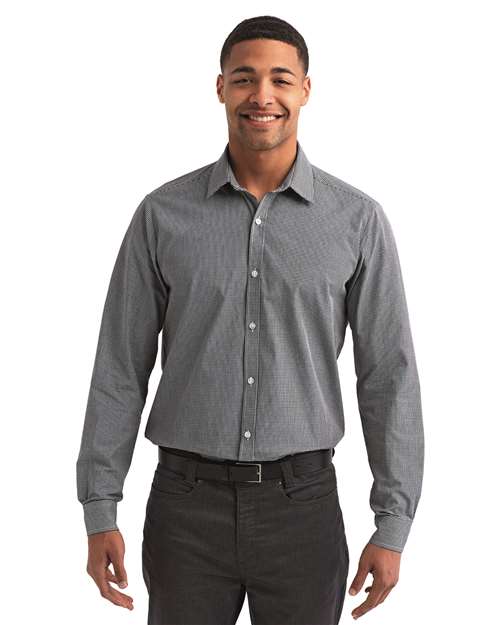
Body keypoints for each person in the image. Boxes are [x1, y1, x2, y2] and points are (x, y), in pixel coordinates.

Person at [76, 15, 424, 625]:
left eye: (280, 79)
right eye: (244, 78)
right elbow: (119, 369)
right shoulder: (162, 215)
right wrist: (99, 507)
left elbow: (388, 378)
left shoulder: (357, 221)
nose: (262, 95)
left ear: (305, 90)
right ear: (221, 88)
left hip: (303, 509)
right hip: (185, 509)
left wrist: (392, 523)